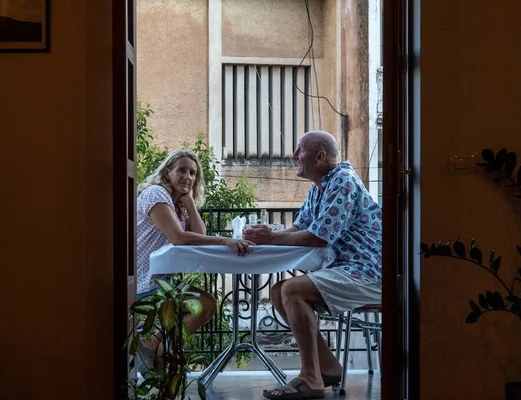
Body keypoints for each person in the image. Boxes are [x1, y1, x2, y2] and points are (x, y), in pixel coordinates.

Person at [243, 131, 382, 400]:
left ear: (320, 156)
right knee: (278, 292)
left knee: (293, 290)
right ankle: (328, 367)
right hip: (347, 268)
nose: (294, 155)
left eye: (300, 150)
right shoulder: (319, 187)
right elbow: (299, 228)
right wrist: (266, 237)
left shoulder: (342, 181)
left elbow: (318, 237)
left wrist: (271, 238)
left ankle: (311, 378)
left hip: (369, 272)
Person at [136, 148, 254, 371]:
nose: (188, 177)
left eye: (193, 173)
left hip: (162, 284)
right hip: (143, 285)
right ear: (167, 171)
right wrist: (224, 241)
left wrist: (189, 202)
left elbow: (198, 235)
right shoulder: (156, 194)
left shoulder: (177, 203)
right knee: (205, 305)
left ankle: (156, 349)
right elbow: (178, 238)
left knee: (206, 305)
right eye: (182, 170)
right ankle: (157, 353)